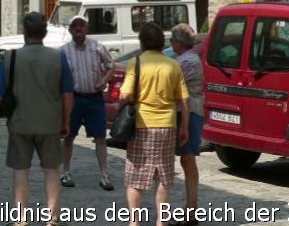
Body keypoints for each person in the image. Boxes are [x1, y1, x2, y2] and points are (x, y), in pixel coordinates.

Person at [0, 12, 74, 226]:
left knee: (20, 170)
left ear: (24, 32)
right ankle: (52, 217)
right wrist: (66, 121)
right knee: (52, 170)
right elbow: (67, 94)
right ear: (44, 32)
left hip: (20, 122)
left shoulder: (11, 58)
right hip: (50, 122)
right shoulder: (58, 57)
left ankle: (21, 219)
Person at [119, 21, 189, 226]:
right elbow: (184, 100)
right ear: (161, 42)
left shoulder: (136, 63)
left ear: (142, 42)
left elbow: (125, 93)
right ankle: (161, 221)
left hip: (142, 125)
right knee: (164, 175)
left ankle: (134, 222)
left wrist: (121, 103)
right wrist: (184, 127)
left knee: (135, 175)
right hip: (167, 125)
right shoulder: (173, 64)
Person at [59, 15, 115, 191]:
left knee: (100, 137)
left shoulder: (97, 47)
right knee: (68, 136)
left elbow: (111, 65)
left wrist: (104, 80)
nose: (78, 28)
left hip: (94, 98)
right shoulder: (63, 51)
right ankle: (65, 171)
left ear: (87, 28)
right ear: (69, 30)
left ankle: (104, 174)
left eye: (81, 25)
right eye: (75, 26)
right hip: (73, 99)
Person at [169, 23, 203, 225]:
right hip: (187, 112)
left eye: (172, 40)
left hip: (188, 114)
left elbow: (173, 87)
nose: (171, 44)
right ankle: (191, 209)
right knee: (186, 160)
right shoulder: (186, 59)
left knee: (188, 160)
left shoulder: (186, 61)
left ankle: (192, 211)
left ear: (179, 42)